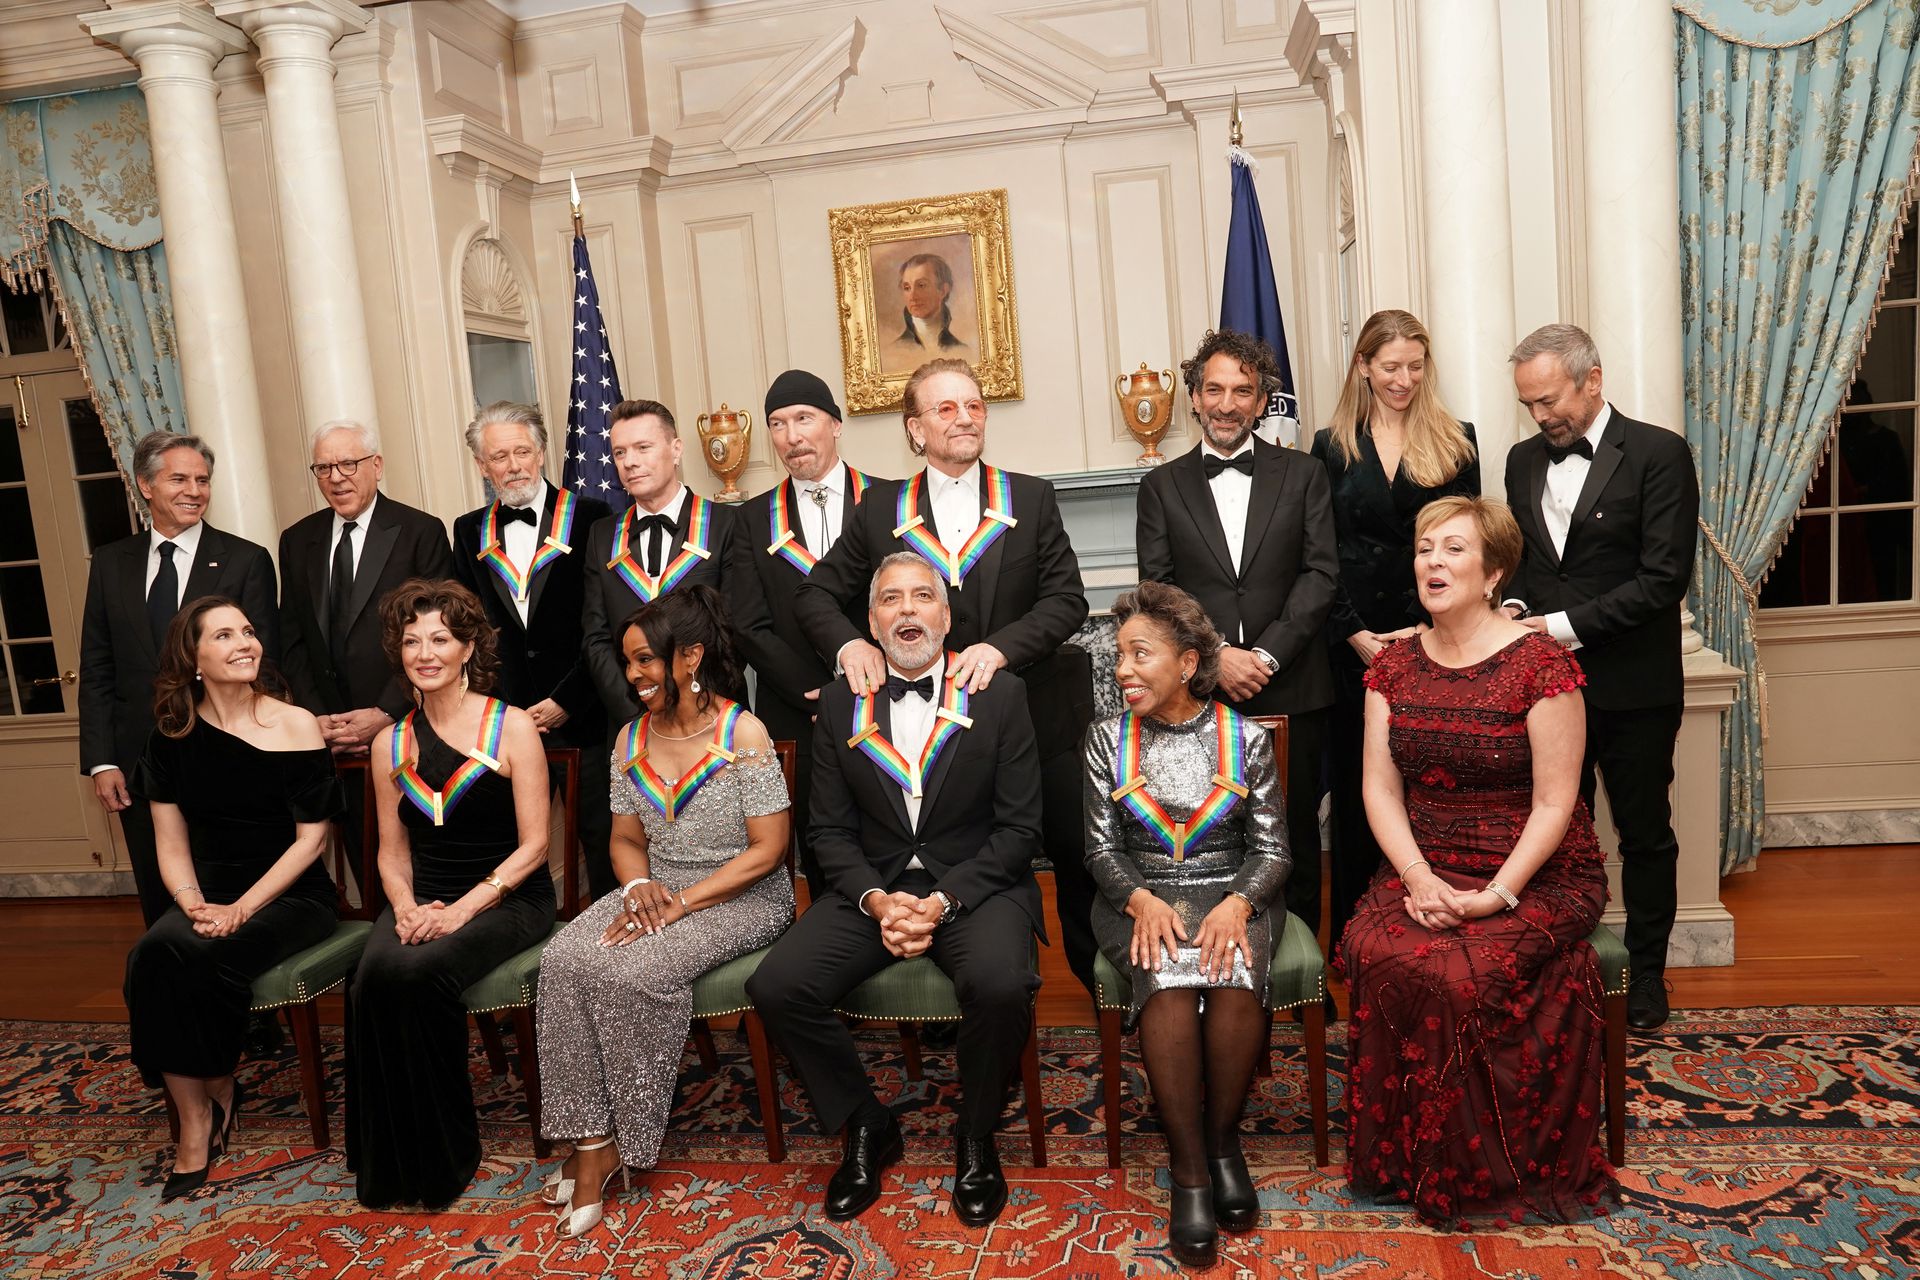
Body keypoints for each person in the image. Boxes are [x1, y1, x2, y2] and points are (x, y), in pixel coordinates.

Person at [1340, 496, 1616, 1225]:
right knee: (1372, 945)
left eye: (1454, 549)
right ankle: (1399, 1160)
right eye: (1426, 548)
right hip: (1425, 862)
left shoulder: (1541, 665)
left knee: (1461, 971)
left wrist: (1498, 895)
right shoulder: (1395, 664)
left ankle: (1488, 1169)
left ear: (1493, 572)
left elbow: (1558, 805)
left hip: (1537, 871)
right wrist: (1417, 876)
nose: (1433, 561)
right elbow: (1377, 785)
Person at [751, 553, 1044, 1227]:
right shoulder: (838, 701)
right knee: (777, 986)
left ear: (947, 616)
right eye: (890, 599)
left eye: (921, 598)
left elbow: (1020, 828)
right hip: (873, 890)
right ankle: (864, 1123)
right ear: (871, 621)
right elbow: (826, 831)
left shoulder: (1001, 695)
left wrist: (941, 902)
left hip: (977, 885)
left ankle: (974, 1134)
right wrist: (879, 902)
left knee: (1001, 986)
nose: (907, 610)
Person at [792, 359, 1096, 998]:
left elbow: (1067, 600)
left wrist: (1000, 650)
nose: (965, 418)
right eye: (946, 408)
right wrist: (850, 644)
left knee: (1075, 860)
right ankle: (933, 997)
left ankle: (1099, 993)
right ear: (914, 429)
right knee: (933, 855)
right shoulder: (879, 509)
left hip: (1034, 720)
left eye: (974, 405)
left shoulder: (1032, 497)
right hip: (927, 745)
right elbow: (817, 595)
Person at [535, 586, 792, 1238]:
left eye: (645, 660)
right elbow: (623, 838)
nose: (634, 676)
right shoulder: (628, 738)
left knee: (629, 970)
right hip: (658, 886)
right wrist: (638, 885)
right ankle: (591, 1138)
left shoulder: (745, 732)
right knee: (562, 958)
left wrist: (680, 905)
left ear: (690, 657)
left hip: (742, 894)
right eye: (628, 663)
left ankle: (623, 1140)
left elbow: (769, 852)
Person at [1082, 581, 1290, 1267]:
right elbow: (1099, 850)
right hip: (1137, 897)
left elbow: (1273, 851)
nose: (1123, 670)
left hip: (1232, 891)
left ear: (1188, 663)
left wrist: (1240, 903)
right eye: (1119, 656)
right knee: (1169, 980)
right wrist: (1138, 899)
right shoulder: (1104, 739)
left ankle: (1223, 1136)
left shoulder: (1246, 738)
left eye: (1140, 654)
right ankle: (1192, 1168)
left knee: (1231, 976)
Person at [1505, 323, 1699, 1031]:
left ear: (1593, 380)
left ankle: (1646, 975)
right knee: (1554, 829)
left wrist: (1551, 628)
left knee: (1645, 831)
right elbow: (1529, 565)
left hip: (1635, 686)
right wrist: (1517, 607)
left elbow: (1661, 580)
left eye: (1549, 400)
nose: (1540, 417)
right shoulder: (1521, 459)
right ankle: (1562, 965)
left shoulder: (1658, 454)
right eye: (1528, 404)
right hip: (1547, 693)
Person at [345, 579, 554, 1209]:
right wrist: (406, 907)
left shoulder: (513, 727)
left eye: (439, 638)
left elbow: (535, 847)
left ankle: (444, 1157)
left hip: (508, 898)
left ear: (468, 647)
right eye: (411, 641)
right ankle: (388, 1163)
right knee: (370, 977)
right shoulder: (389, 742)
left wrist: (461, 911)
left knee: (419, 975)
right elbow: (390, 851)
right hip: (422, 897)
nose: (424, 652)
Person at [122, 596, 339, 1198]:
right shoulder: (171, 734)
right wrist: (191, 903)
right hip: (206, 892)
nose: (245, 643)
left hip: (292, 894)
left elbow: (310, 842)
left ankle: (217, 1082)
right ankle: (201, 1112)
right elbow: (170, 843)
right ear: (193, 658)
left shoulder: (294, 722)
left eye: (247, 631)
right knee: (152, 954)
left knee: (199, 957)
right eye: (223, 635)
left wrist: (242, 908)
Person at [1137, 329, 1338, 939]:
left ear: (1261, 401)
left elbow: (1321, 574)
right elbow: (1159, 589)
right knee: (1214, 832)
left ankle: (1301, 969)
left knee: (1295, 832)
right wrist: (1217, 657)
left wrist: (1268, 655)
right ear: (1194, 397)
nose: (1228, 404)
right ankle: (1216, 963)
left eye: (1243, 392)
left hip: (1294, 685)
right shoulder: (1161, 485)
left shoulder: (1304, 474)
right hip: (1202, 693)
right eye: (1215, 389)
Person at [1311, 310, 1480, 947]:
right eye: (1390, 367)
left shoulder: (1457, 440)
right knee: (1362, 794)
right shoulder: (1331, 446)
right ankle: (1357, 934)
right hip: (1351, 644)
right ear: (1363, 366)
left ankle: (1437, 920)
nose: (1403, 379)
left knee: (1432, 785)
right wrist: (1355, 634)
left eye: (1415, 366)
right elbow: (1318, 551)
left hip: (1435, 641)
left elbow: (1467, 546)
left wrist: (1425, 632)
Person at [80, 431, 278, 926]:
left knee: (226, 894)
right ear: (145, 485)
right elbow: (98, 664)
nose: (194, 490)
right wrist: (102, 760)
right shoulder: (110, 562)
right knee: (158, 897)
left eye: (203, 480)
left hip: (222, 754)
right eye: (180, 479)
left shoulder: (245, 560)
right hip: (137, 762)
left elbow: (262, 667)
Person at [449, 402, 615, 898]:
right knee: (514, 839)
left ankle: (620, 941)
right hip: (506, 721)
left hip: (583, 713)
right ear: (483, 466)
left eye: (523, 451)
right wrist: (504, 709)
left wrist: (568, 699)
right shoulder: (467, 530)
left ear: (542, 454)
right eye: (500, 456)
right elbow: (470, 634)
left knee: (602, 835)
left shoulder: (590, 517)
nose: (514, 465)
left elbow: (602, 623)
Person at [279, 421, 454, 889]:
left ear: (376, 465)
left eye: (348, 464)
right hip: (331, 739)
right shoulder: (297, 541)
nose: (336, 477)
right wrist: (314, 717)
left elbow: (440, 639)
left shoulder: (420, 532)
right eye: (323, 467)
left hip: (407, 732)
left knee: (421, 863)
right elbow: (291, 640)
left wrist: (385, 712)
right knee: (363, 862)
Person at [736, 370, 885, 894]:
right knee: (820, 844)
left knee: (892, 831)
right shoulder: (751, 521)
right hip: (795, 710)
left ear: (836, 425)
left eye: (805, 419)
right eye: (778, 424)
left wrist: (861, 682)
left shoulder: (889, 502)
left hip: (884, 698)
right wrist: (815, 691)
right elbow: (748, 625)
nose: (792, 436)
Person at [579, 399, 770, 720]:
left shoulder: (727, 523)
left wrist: (691, 707)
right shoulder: (601, 535)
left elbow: (737, 630)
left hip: (712, 717)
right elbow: (596, 638)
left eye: (643, 447)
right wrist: (639, 711)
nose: (630, 462)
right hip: (634, 721)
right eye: (620, 452)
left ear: (676, 450)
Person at [884, 252, 974, 372]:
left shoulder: (963, 351)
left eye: (921, 285)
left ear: (943, 290)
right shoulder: (893, 352)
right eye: (907, 288)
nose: (912, 296)